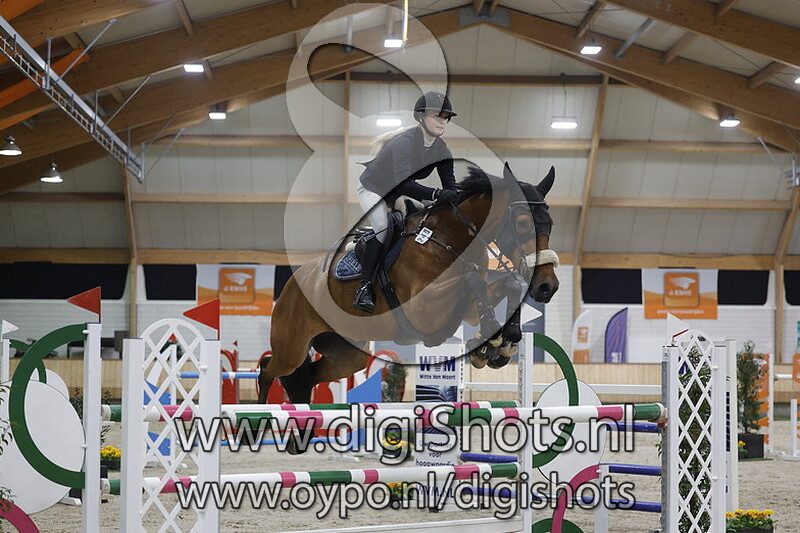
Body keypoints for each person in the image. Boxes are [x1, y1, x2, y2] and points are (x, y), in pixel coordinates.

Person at [353, 90, 460, 313]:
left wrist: (461, 198)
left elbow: (451, 186)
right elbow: (403, 183)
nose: (442, 121)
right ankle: (365, 286)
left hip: (396, 193)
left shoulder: (442, 150)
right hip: (373, 189)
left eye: (446, 117)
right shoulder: (404, 143)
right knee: (382, 227)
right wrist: (437, 194)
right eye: (437, 116)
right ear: (421, 117)